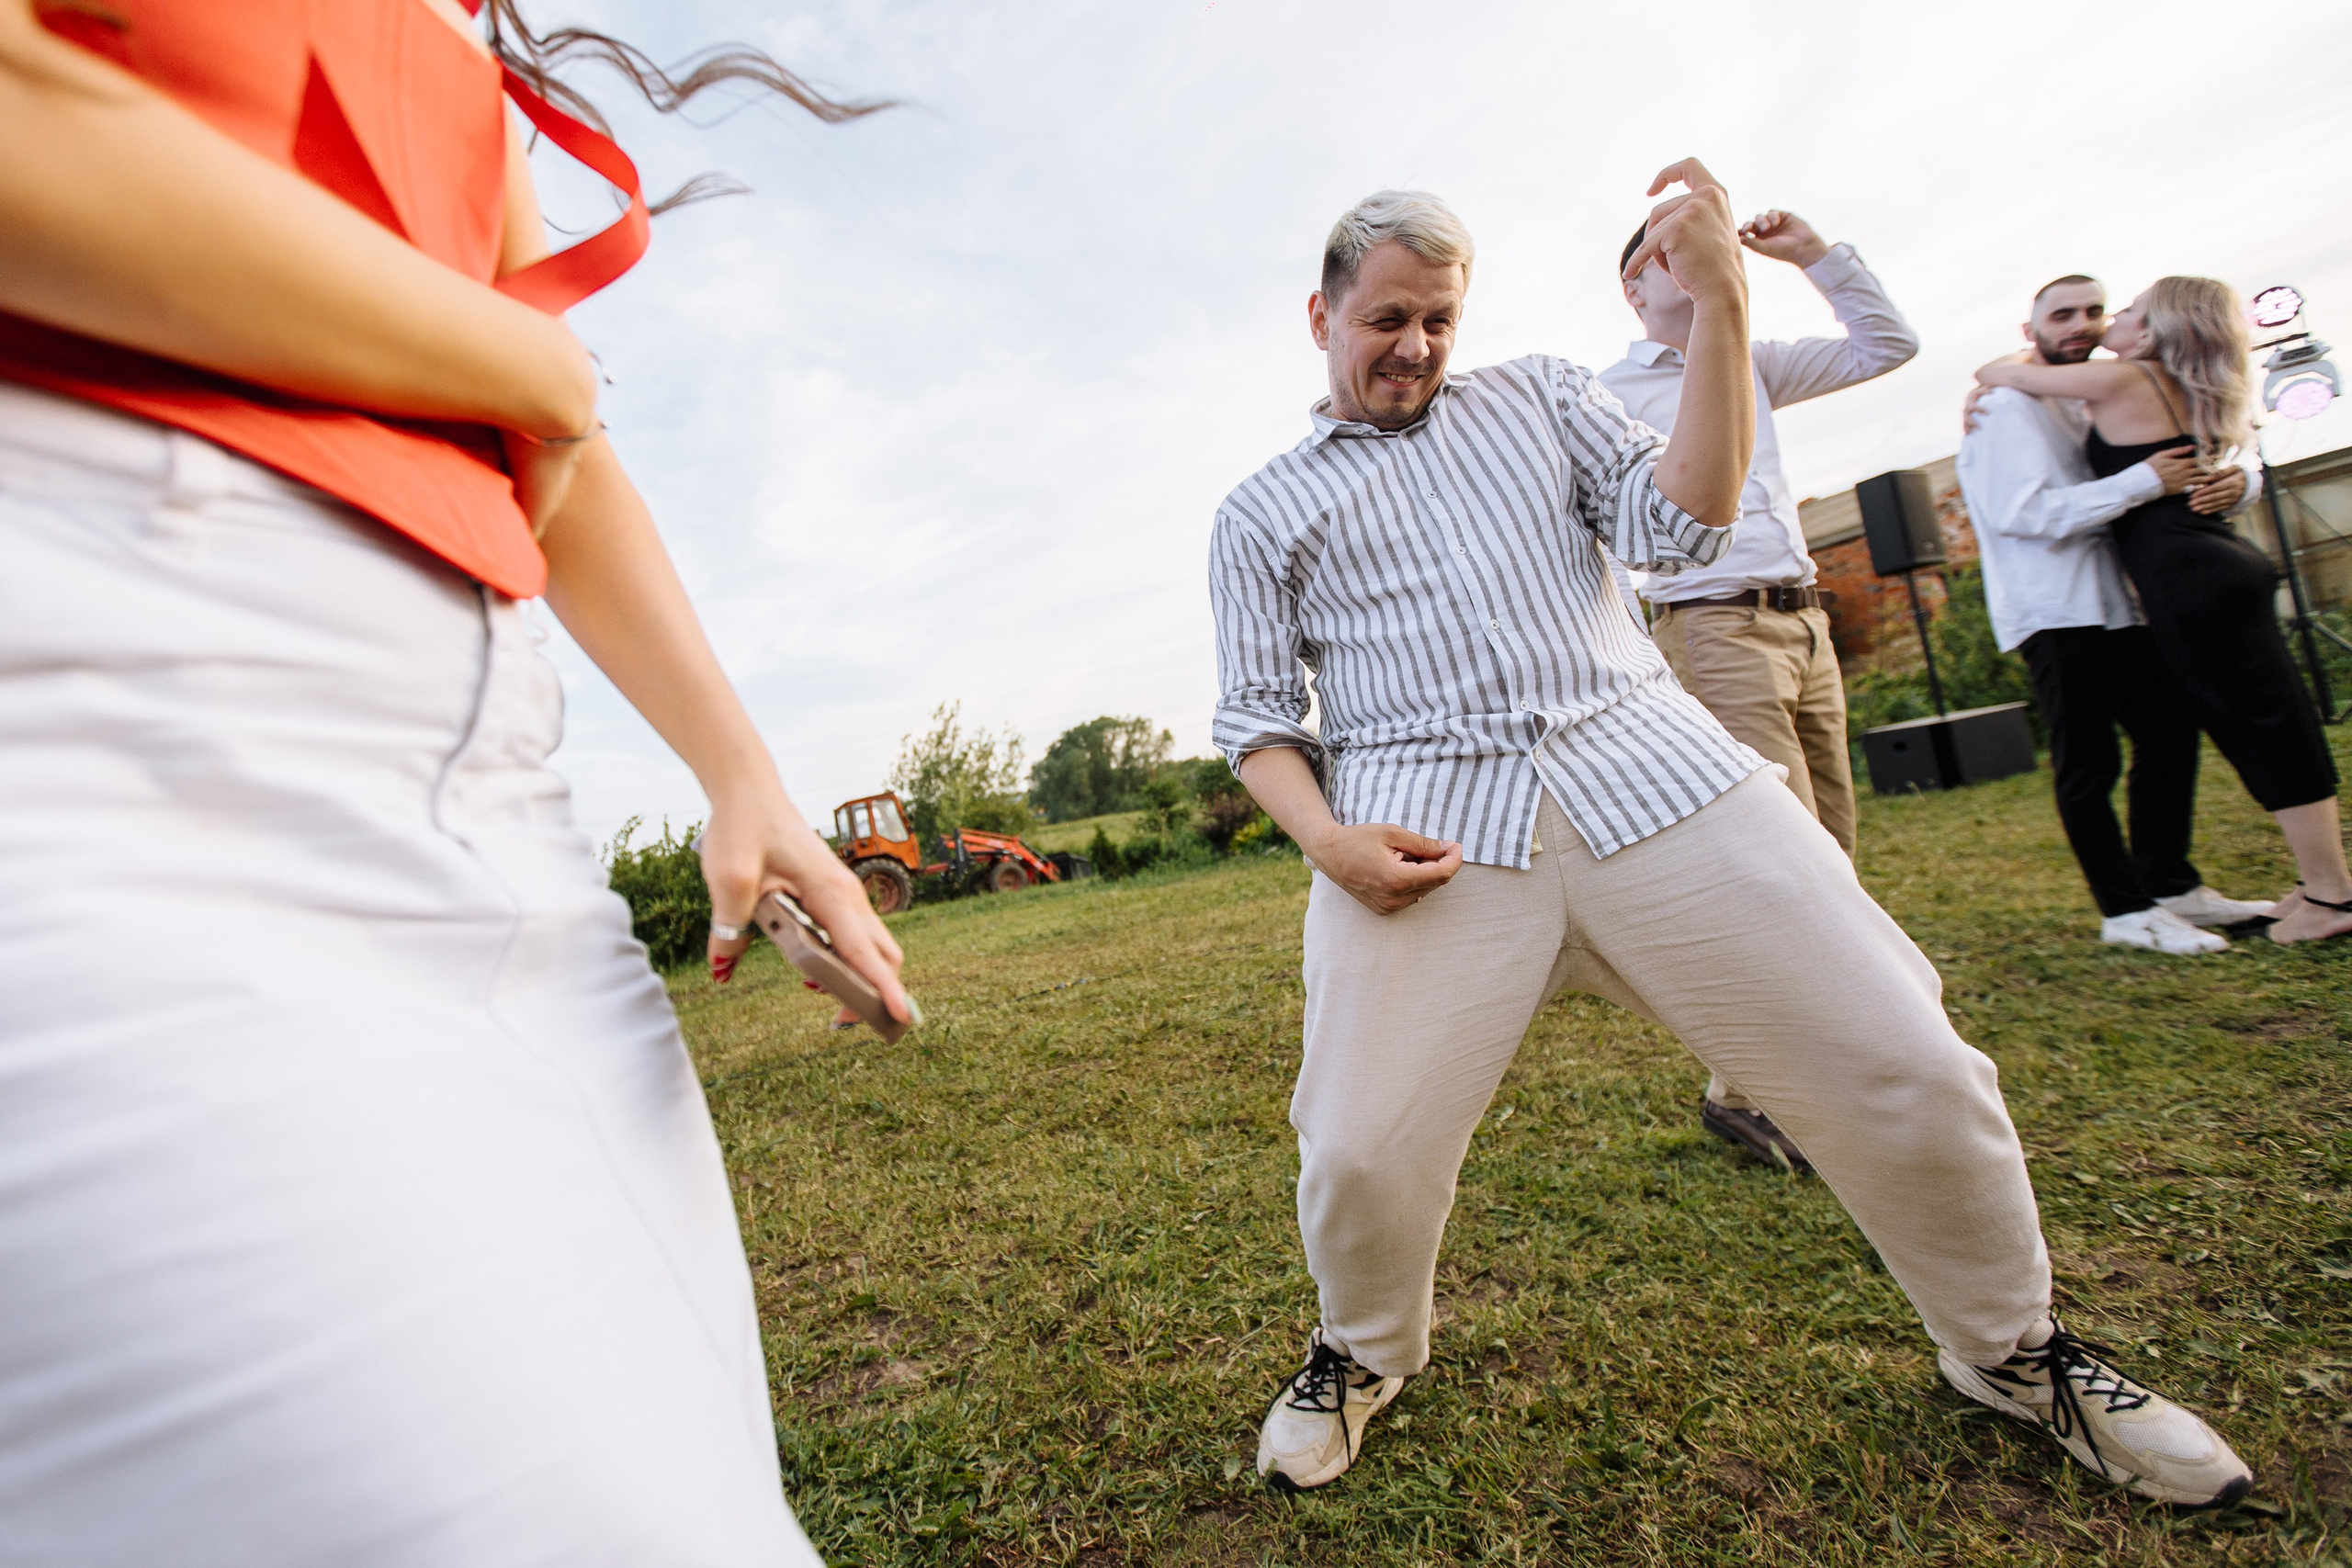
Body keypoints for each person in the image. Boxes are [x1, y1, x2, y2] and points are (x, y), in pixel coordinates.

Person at [0, 3, 910, 1563]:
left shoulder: (447, 26)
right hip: (125, 746)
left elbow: (565, 456)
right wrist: (515, 354)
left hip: (511, 834)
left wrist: (739, 771)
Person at [1210, 169, 2252, 1507]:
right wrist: (1330, 844)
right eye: (1388, 318)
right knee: (1357, 1143)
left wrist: (1721, 301)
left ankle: (2011, 1350)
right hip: (1423, 836)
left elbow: (1685, 511)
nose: (1415, 345)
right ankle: (1362, 1351)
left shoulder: (1536, 394)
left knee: (1910, 1056)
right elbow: (1257, 722)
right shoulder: (1259, 509)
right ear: (1322, 315)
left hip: (1659, 772)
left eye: (1439, 320)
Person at [1599, 208, 1916, 1170]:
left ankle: (1750, 1088)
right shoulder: (1610, 392)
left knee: (1834, 851)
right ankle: (1776, 1091)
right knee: (1785, 867)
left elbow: (1886, 345)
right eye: (1662, 256)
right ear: (1635, 289)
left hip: (1802, 620)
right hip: (1711, 624)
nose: (1689, 263)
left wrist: (1812, 254)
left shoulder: (1751, 362)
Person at [1976, 278, 2352, 944]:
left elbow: (2222, 456)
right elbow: (2021, 513)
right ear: (2029, 328)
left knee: (2188, 733)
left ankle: (2185, 885)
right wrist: (2147, 480)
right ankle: (2127, 910)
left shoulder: (2102, 385)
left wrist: (2238, 482)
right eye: (2062, 315)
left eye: (2099, 310)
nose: (2086, 324)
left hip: (2145, 595)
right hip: (2060, 605)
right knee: (2094, 760)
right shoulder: (2012, 405)